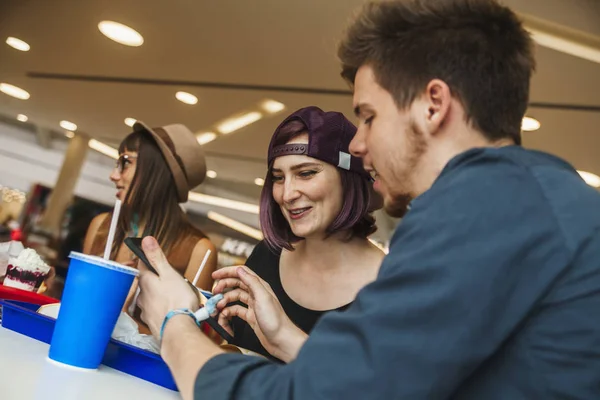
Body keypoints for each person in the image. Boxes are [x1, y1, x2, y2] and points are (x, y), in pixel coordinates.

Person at [136, 0, 600, 399]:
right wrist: (283, 337)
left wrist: (173, 322)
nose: (357, 145)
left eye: (369, 117)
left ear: (432, 105)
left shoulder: (487, 208)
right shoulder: (532, 197)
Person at [216, 106, 385, 361]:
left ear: (348, 177)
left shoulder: (389, 286)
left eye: (306, 173)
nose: (287, 194)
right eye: (278, 177)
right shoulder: (267, 256)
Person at [83, 122, 217, 331]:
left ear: (157, 172)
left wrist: (120, 316)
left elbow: (185, 338)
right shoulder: (101, 226)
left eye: (125, 162)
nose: (113, 175)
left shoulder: (198, 250)